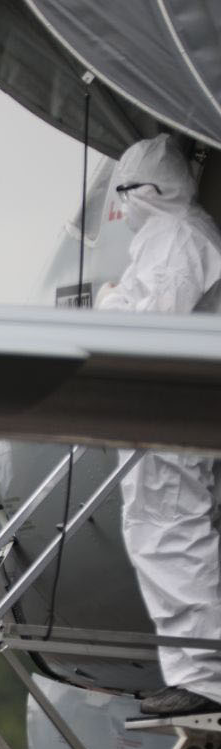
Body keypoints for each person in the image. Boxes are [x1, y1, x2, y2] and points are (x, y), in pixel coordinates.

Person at [98, 134, 221, 718]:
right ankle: (192, 670)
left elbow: (151, 325)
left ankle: (204, 675)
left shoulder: (179, 237)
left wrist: (111, 306)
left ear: (146, 191)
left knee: (173, 533)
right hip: (163, 412)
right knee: (160, 535)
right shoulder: (172, 236)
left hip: (169, 411)